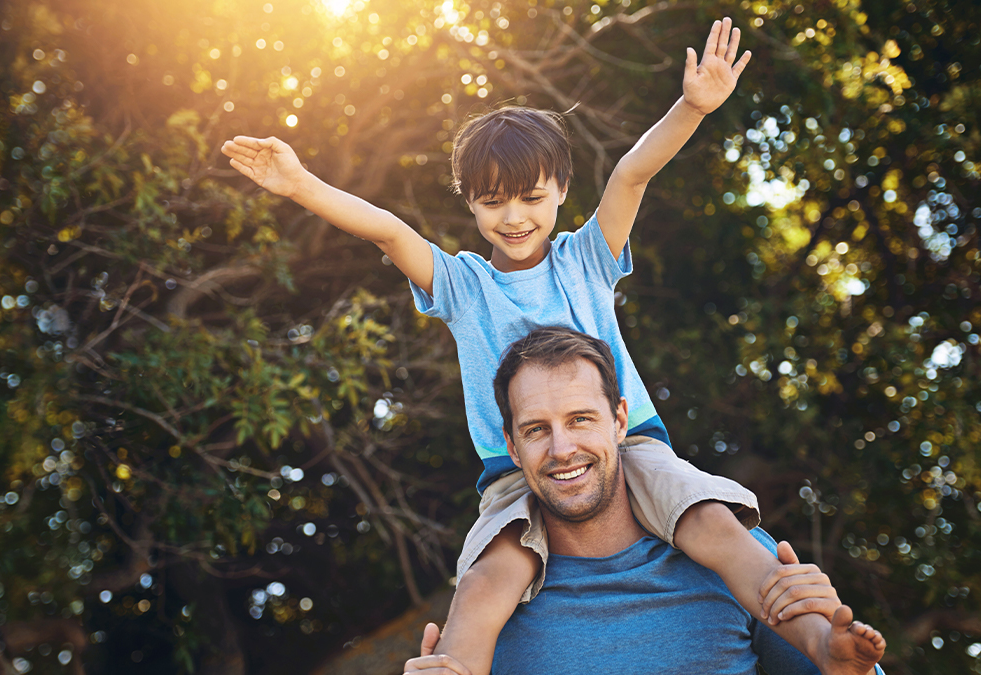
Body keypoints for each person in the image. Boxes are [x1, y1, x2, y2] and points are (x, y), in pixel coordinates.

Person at [222, 18, 834, 674]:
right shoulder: (464, 285)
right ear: (471, 204)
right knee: (487, 581)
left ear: (561, 191)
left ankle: (829, 647)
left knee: (717, 529)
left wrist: (692, 106)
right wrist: (301, 185)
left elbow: (630, 174)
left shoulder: (586, 259)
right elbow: (390, 233)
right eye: (493, 203)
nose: (513, 217)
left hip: (630, 448)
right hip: (514, 472)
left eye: (531, 198)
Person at [404, 327, 887, 675]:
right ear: (511, 447)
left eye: (580, 420)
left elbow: (839, 663)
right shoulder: (498, 593)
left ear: (619, 422)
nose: (561, 449)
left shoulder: (733, 555)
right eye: (536, 430)